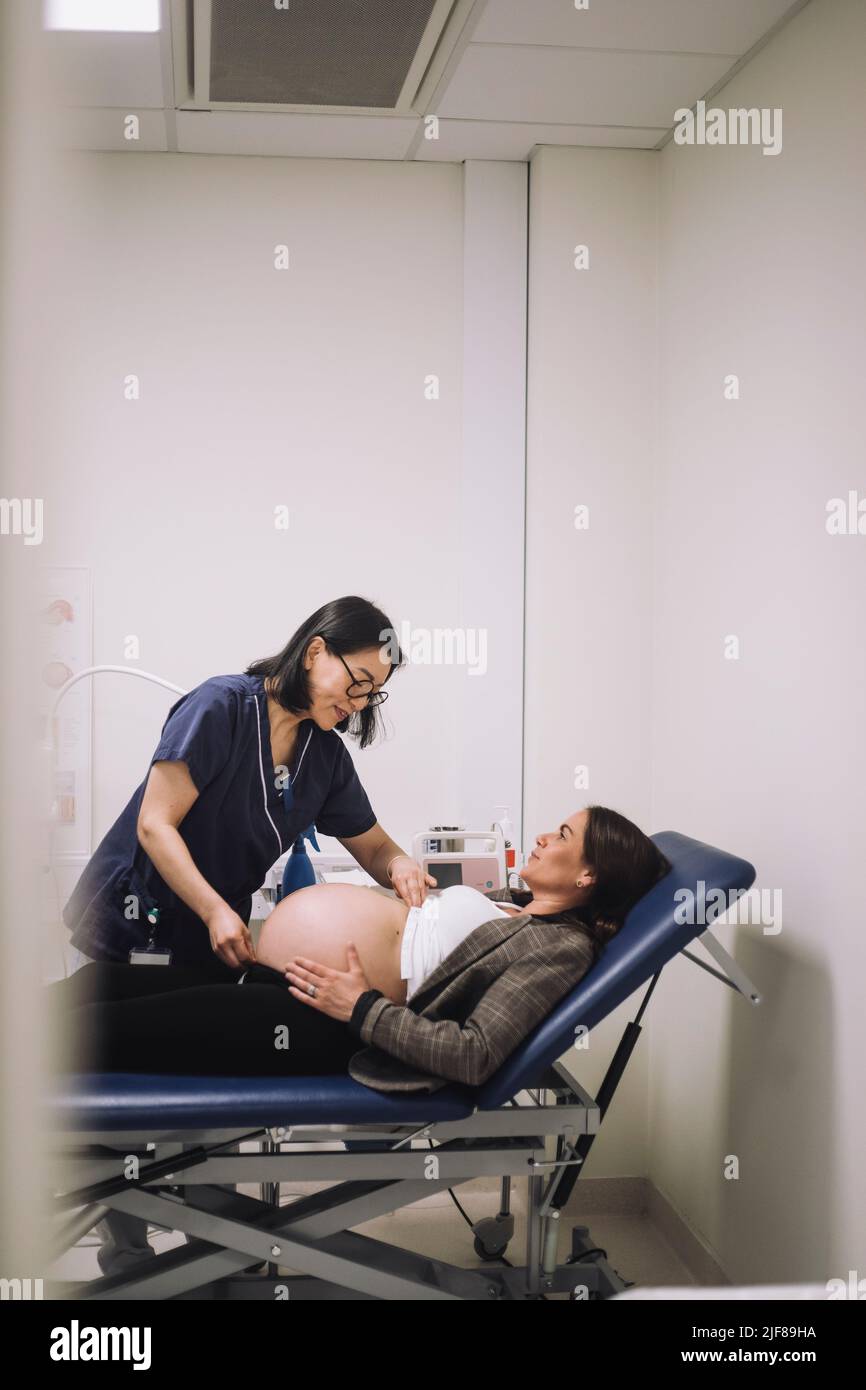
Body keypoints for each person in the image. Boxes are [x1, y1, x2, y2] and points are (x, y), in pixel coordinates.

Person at [59, 593, 435, 1273]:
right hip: (139, 918)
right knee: (124, 1078)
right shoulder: (219, 708)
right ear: (316, 650)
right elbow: (156, 825)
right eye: (357, 683)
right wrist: (212, 910)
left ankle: (213, 1247)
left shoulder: (323, 756)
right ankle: (131, 1251)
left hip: (212, 934)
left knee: (202, 1081)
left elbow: (373, 845)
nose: (359, 703)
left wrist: (403, 865)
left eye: (373, 695)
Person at [52, 806, 671, 1086]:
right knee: (95, 985)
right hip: (283, 985)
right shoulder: (519, 911)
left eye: (561, 834)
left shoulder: (562, 949)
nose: (541, 835)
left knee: (98, 1031)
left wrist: (360, 1007)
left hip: (320, 1021)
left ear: (588, 876)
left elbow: (476, 1054)